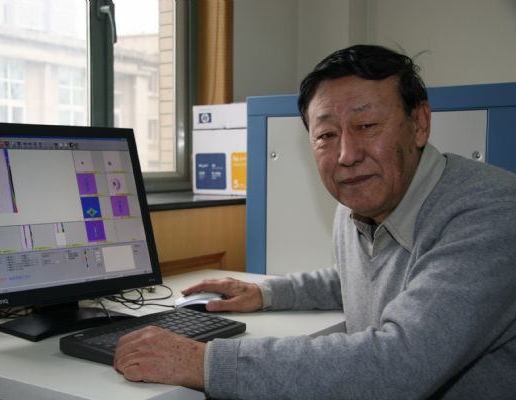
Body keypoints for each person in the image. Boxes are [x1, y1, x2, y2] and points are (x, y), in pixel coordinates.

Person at [114, 45, 516, 399]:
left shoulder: (489, 212)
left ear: (420, 124)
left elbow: (398, 364)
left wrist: (204, 362)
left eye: (366, 126)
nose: (347, 155)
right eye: (326, 135)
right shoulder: (360, 203)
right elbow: (358, 279)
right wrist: (265, 292)